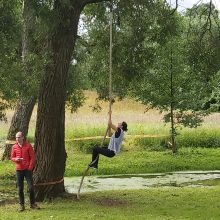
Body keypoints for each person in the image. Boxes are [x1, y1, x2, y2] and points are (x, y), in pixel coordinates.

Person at [10, 131, 40, 212]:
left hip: (27, 170)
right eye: (16, 137)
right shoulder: (14, 147)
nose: (17, 139)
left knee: (31, 188)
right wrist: (16, 159)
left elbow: (33, 157)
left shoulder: (28, 145)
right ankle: (21, 205)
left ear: (23, 137)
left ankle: (32, 204)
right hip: (19, 170)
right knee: (20, 189)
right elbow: (12, 157)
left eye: (19, 137)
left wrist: (30, 167)